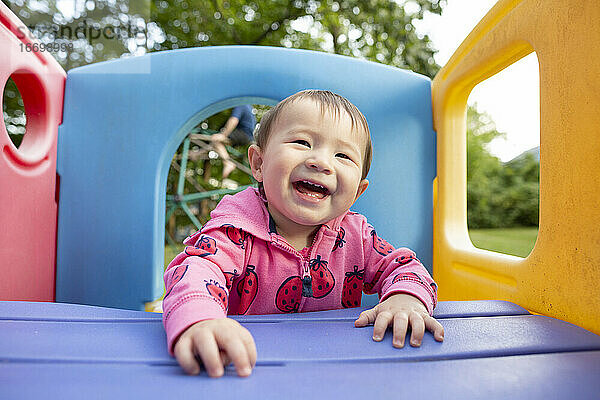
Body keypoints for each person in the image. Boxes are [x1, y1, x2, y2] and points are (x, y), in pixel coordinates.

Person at [162, 90, 444, 378]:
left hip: (331, 371)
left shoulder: (357, 237)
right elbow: (194, 271)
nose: (321, 162)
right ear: (258, 164)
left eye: (342, 155)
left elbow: (405, 267)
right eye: (302, 142)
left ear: (358, 191)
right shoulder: (234, 230)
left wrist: (407, 299)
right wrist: (200, 319)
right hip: (245, 367)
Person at [210, 104, 256, 181]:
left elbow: (234, 120)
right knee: (217, 146)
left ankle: (227, 163)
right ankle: (197, 154)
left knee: (215, 140)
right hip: (248, 137)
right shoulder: (249, 107)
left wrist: (223, 135)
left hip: (242, 134)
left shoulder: (240, 105)